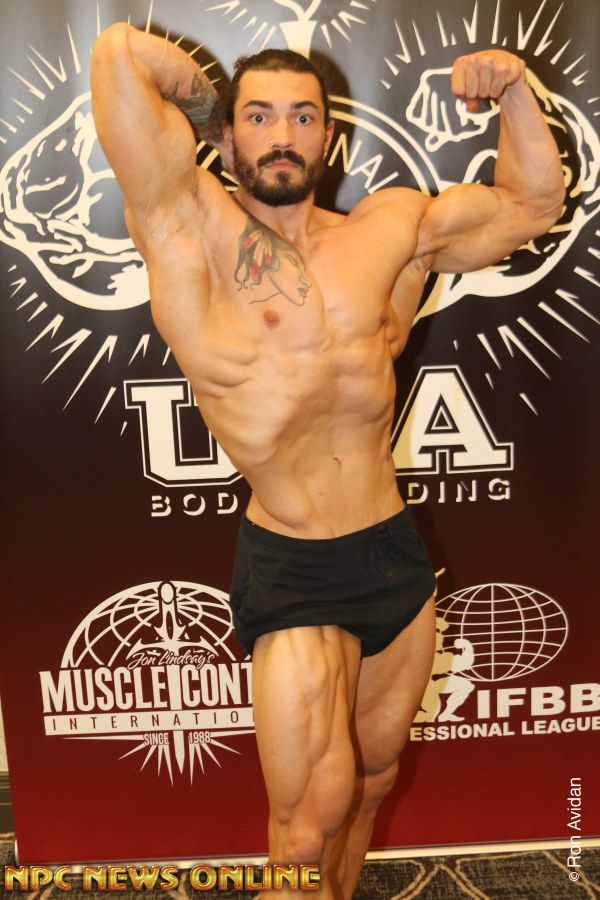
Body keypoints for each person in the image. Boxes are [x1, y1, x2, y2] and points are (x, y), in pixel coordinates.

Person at [91, 24, 564, 898]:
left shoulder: (389, 230)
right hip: (296, 564)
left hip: (391, 552)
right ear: (228, 134)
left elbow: (530, 205)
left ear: (328, 135)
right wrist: (208, 110)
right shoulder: (186, 225)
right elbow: (120, 53)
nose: (283, 135)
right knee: (305, 828)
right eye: (260, 117)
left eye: (302, 117)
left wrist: (513, 90)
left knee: (374, 782)